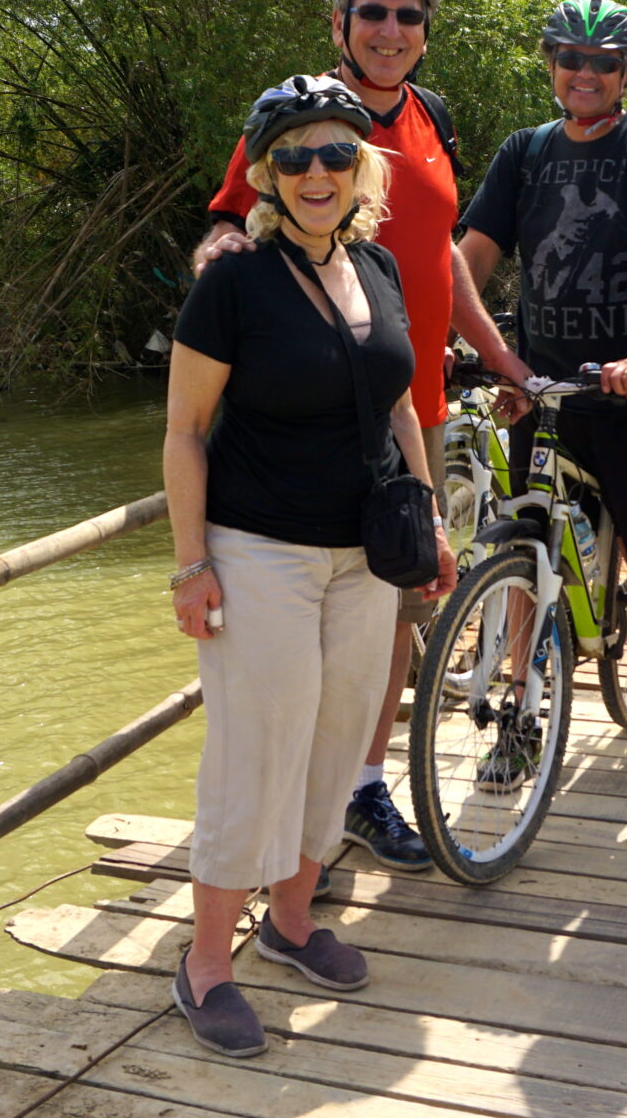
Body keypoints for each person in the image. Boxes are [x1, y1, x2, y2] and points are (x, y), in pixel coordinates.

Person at [191, 0, 528, 869]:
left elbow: (443, 257)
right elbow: (227, 223)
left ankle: (360, 786)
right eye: (372, 10)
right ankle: (274, 822)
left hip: (406, 402)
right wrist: (220, 272)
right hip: (303, 412)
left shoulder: (435, 120)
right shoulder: (301, 117)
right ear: (339, 19)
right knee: (292, 620)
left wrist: (498, 353)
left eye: (408, 14)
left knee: (390, 614)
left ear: (425, 31)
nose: (390, 28)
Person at [164, 74, 458, 1057]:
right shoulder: (234, 279)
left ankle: (291, 919)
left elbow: (397, 406)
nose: (317, 173)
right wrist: (189, 563)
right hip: (261, 551)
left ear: (363, 166)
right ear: (265, 174)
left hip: (364, 555)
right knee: (258, 746)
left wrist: (426, 522)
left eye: (337, 153)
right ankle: (207, 961)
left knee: (336, 744)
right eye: (294, 157)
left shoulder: (373, 267)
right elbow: (183, 431)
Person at [455, 0, 627, 793]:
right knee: (522, 540)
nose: (585, 73)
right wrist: (466, 345)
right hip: (541, 382)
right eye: (570, 58)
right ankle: (522, 716)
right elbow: (468, 259)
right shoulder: (524, 152)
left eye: (604, 62)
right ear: (551, 65)